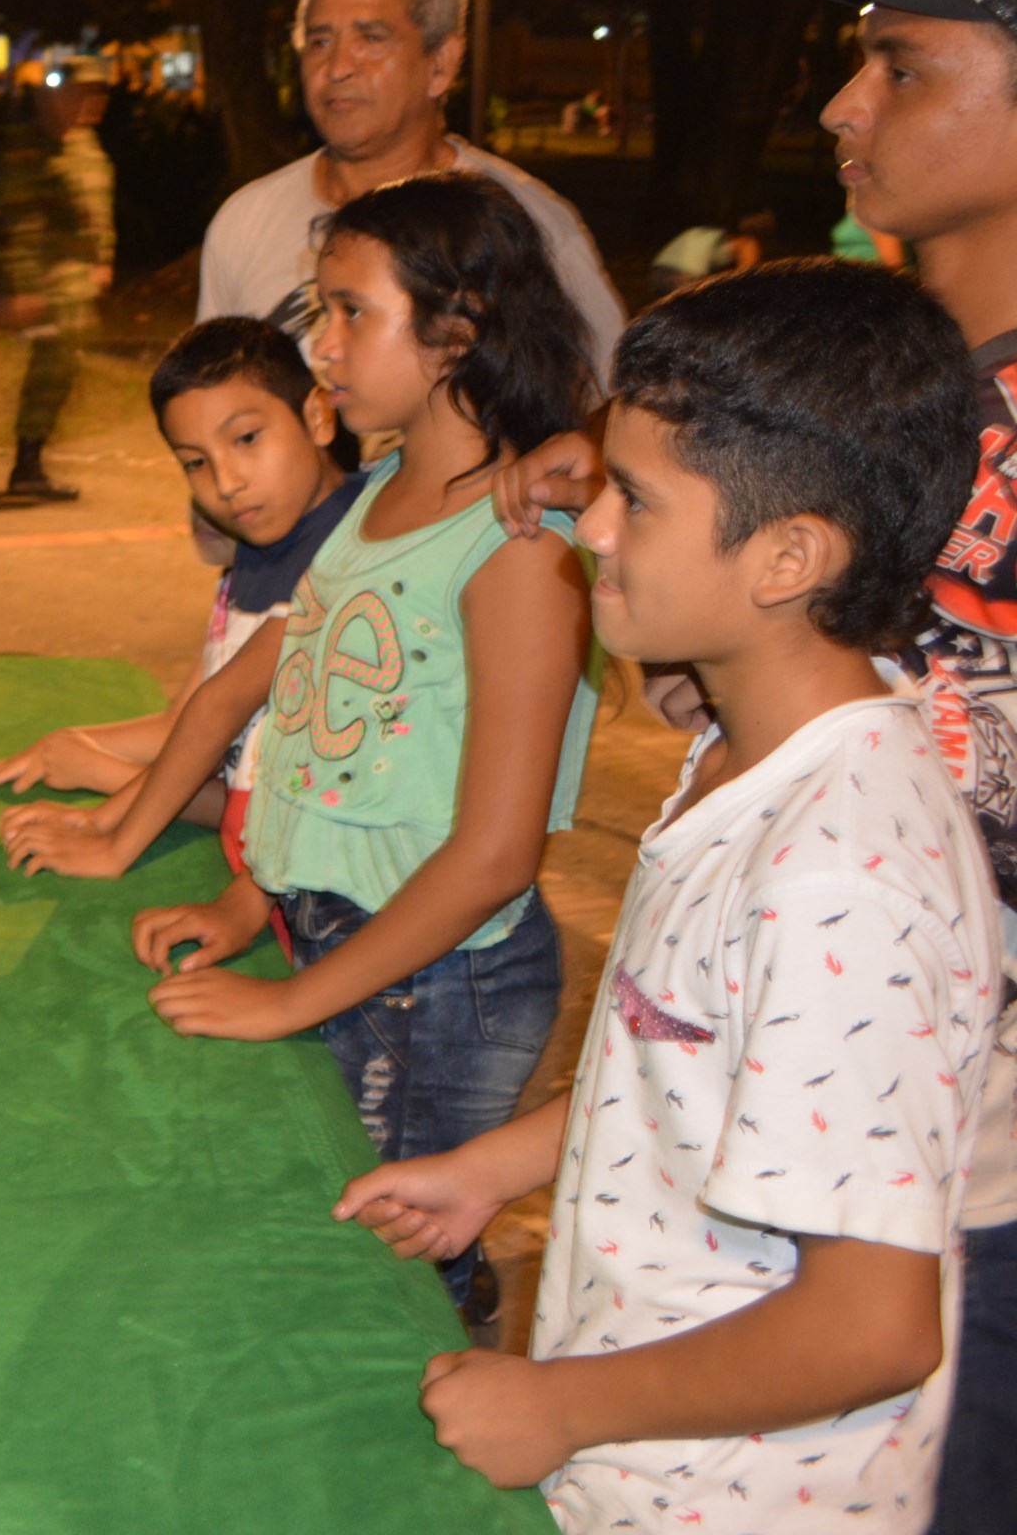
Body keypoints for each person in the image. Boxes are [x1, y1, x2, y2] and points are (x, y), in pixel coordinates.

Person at [493, 0, 1017, 1534]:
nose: (846, 105)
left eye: (907, 68)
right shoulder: (866, 375)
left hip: (960, 1192)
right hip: (772, 1110)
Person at [345, 261, 997, 1531]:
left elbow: (872, 1325)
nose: (592, 528)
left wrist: (563, 1404)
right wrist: (495, 1167)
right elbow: (684, 1066)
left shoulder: (837, 878)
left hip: (738, 1495)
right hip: (638, 1459)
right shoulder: (735, 752)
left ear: (789, 555)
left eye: (634, 500)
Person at [11, 173, 600, 1317]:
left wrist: (291, 998)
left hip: (441, 978)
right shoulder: (375, 494)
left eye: (350, 312)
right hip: (344, 937)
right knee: (327, 1232)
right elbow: (321, 744)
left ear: (456, 327)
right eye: (318, 310)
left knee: (396, 1270)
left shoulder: (518, 545)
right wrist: (250, 900)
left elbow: (492, 854)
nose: (321, 344)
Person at [0, 316, 358, 865]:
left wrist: (108, 816)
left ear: (316, 416)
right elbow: (188, 722)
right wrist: (77, 757)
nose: (226, 482)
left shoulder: (355, 554)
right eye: (195, 462)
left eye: (246, 438)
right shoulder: (258, 545)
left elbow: (233, 742)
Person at [197, 0, 622, 369]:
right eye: (320, 41)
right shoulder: (244, 224)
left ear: (441, 63)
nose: (338, 67)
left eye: (372, 39)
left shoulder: (531, 227)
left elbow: (608, 405)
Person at [0, 53, 117, 503]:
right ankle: (27, 463)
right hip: (46, 282)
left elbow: (98, 207)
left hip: (75, 283)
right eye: (81, 94)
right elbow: (19, 224)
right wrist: (22, 288)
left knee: (63, 365)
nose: (90, 103)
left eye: (97, 94)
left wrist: (103, 257)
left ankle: (30, 462)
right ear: (55, 97)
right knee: (55, 362)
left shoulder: (85, 144)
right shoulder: (29, 148)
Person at [645, 210, 774, 301]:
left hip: (659, 271)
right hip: (676, 274)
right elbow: (745, 271)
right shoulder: (741, 242)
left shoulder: (710, 240)